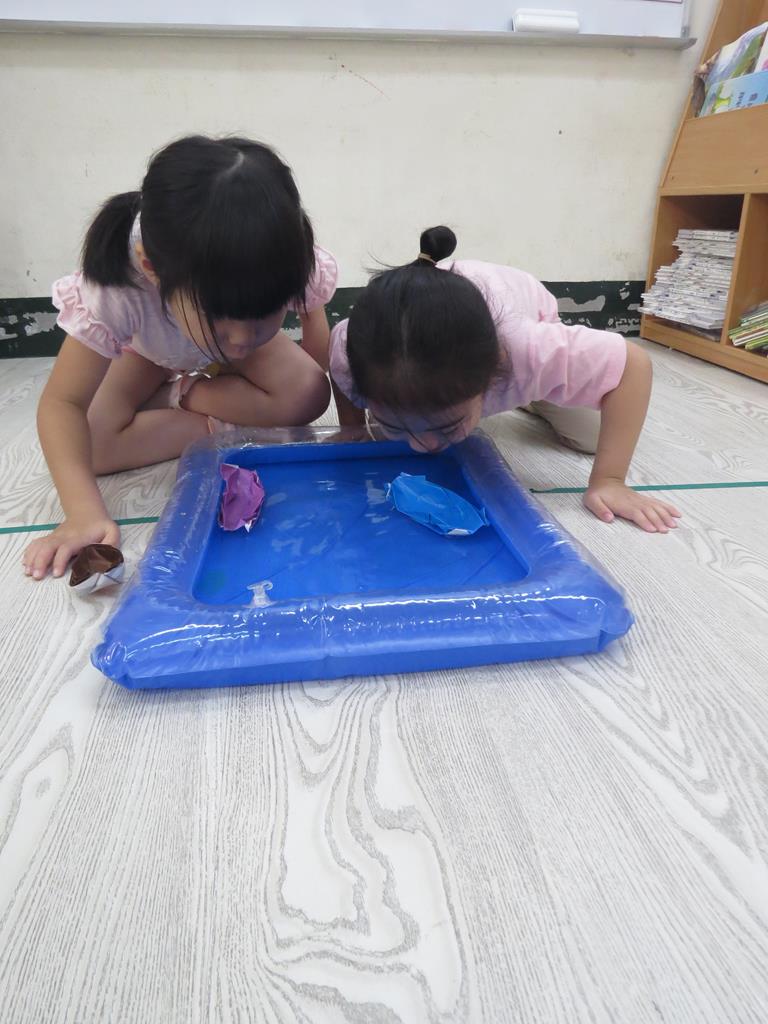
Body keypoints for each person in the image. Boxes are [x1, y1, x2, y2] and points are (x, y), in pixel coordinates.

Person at [24, 135, 336, 580]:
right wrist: (82, 513)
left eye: (263, 315)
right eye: (219, 318)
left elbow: (319, 356)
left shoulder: (285, 258)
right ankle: (195, 407)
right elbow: (62, 403)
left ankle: (184, 395)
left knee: (308, 393)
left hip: (227, 363)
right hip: (146, 352)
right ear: (152, 270)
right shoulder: (119, 286)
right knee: (88, 445)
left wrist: (342, 414)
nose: (240, 339)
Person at [330, 226, 681, 533]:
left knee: (590, 437)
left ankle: (533, 397)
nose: (422, 447)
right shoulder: (353, 352)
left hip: (525, 329)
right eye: (399, 426)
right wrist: (353, 426)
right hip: (469, 345)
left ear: (493, 373)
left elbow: (634, 366)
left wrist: (610, 480)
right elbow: (340, 364)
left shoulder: (529, 350)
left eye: (446, 426)